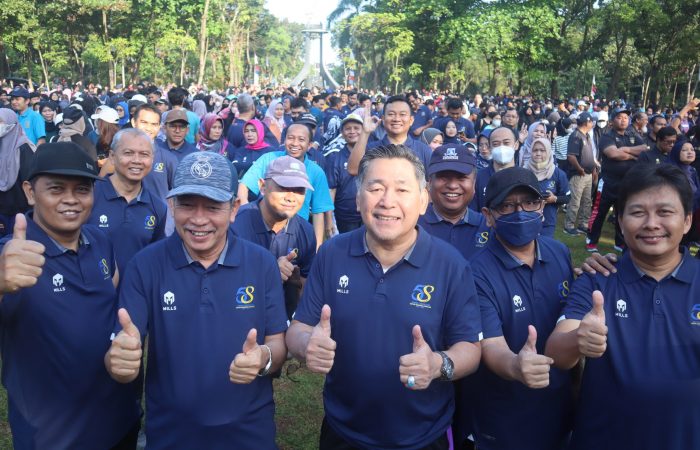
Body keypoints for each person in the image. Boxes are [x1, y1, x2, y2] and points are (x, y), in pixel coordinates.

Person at [287, 144, 482, 450]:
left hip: (423, 435)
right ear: (358, 198)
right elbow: (299, 328)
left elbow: (470, 348)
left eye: (402, 190)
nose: (387, 201)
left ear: (423, 200)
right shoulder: (332, 254)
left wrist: (438, 364)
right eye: (376, 188)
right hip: (343, 430)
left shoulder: (451, 265)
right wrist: (306, 345)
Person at [105, 151, 287, 449]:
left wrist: (263, 358)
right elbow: (121, 347)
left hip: (249, 431)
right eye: (187, 204)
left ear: (234, 208)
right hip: (171, 431)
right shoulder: (145, 265)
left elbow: (277, 341)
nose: (199, 219)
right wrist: (119, 360)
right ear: (171, 206)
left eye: (213, 206)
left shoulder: (261, 263)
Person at [545, 163, 700, 450]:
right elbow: (556, 352)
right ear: (620, 221)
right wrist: (579, 339)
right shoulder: (598, 280)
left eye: (665, 212)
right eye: (638, 212)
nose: (651, 223)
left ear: (687, 220)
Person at [0, 142, 140, 449]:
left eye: (82, 189)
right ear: (30, 192)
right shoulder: (12, 256)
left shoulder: (100, 240)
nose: (71, 199)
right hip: (54, 437)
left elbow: (112, 300)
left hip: (118, 421)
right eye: (56, 189)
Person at [460, 167, 574, 450]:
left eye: (530, 202)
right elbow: (491, 345)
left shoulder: (560, 253)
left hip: (560, 409)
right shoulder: (475, 273)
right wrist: (515, 365)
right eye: (507, 206)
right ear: (488, 216)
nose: (520, 212)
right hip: (504, 416)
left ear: (542, 207)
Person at [232, 156, 316, 320]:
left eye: (299, 190)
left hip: (283, 321)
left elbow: (306, 292)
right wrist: (269, 274)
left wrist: (295, 283)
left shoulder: (305, 231)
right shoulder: (236, 225)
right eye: (283, 187)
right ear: (262, 186)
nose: (291, 197)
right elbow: (219, 285)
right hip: (239, 318)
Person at [238, 123, 334, 247]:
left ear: (310, 145)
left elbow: (318, 212)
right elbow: (244, 186)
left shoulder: (316, 172)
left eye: (301, 139)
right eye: (290, 138)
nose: (295, 143)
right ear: (284, 140)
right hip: (263, 227)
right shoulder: (268, 159)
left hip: (296, 233)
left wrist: (316, 247)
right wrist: (246, 214)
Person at [87, 128, 167, 272]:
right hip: (94, 285)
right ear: (112, 156)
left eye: (144, 154)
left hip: (138, 286)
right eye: (128, 153)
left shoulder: (158, 207)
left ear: (152, 159)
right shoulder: (90, 196)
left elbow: (158, 256)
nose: (136, 160)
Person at [586, 108, 648, 252]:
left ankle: (620, 242)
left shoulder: (632, 135)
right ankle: (591, 240)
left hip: (626, 183)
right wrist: (632, 155)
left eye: (626, 117)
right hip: (608, 182)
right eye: (619, 117)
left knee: (623, 213)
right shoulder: (607, 136)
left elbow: (645, 148)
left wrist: (625, 149)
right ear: (612, 120)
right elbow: (613, 154)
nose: (623, 120)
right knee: (599, 212)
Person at [418, 144, 490, 260]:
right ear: (430, 182)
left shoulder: (487, 226)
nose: (452, 185)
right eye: (443, 177)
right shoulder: (413, 225)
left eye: (461, 178)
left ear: (474, 183)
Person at [347, 96, 432, 177]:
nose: (397, 119)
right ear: (383, 119)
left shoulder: (424, 151)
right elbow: (353, 170)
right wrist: (365, 132)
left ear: (411, 120)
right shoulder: (372, 149)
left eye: (402, 114)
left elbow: (431, 182)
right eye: (391, 114)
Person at [326, 114, 364, 233]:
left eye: (356, 128)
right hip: (345, 216)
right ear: (342, 133)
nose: (352, 131)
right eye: (348, 129)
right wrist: (329, 219)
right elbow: (331, 190)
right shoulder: (335, 158)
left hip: (369, 214)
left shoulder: (373, 154)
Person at [0, 109, 36, 237]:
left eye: (0, 121)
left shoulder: (24, 148)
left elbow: (30, 178)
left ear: (12, 123)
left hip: (19, 209)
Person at [526, 138, 569, 237]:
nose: (538, 153)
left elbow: (568, 198)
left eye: (542, 150)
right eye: (535, 150)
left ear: (549, 152)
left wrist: (554, 199)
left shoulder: (558, 174)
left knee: (544, 245)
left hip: (547, 222)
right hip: (526, 220)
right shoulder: (524, 171)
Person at [563, 112, 597, 236]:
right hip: (578, 175)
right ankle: (569, 226)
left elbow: (590, 155)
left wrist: (593, 169)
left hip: (587, 174)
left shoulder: (586, 135)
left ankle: (583, 224)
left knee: (587, 201)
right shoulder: (576, 135)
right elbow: (571, 156)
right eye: (591, 121)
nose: (593, 124)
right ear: (586, 122)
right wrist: (579, 169)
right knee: (575, 201)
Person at [471, 126, 518, 211]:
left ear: (516, 145)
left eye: (506, 143)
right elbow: (473, 211)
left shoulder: (525, 176)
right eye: (496, 144)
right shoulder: (478, 177)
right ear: (490, 147)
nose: (501, 148)